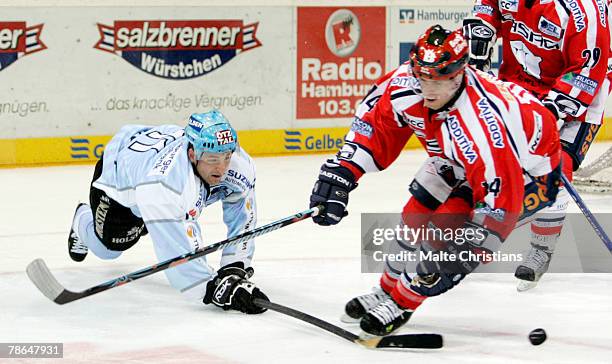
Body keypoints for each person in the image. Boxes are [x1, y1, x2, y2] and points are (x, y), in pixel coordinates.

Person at [309, 25, 563, 336]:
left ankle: (402, 301)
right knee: (413, 214)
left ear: (459, 75)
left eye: (439, 79)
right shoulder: (406, 83)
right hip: (459, 158)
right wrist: (344, 171)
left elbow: (500, 205)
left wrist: (466, 255)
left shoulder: (483, 128)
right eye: (423, 76)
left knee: (442, 232)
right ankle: (387, 289)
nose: (428, 89)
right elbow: (376, 126)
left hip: (529, 173)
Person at [463, 0, 611, 290]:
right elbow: (487, 7)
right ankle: (475, 225)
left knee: (554, 176)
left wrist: (550, 112)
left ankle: (541, 249)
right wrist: (482, 29)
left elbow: (586, 69)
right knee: (488, 160)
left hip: (578, 103)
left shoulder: (585, 11)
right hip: (518, 89)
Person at [67, 110, 269, 314]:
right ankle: (82, 219)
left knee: (164, 213)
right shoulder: (166, 185)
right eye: (213, 159)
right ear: (192, 154)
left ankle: (154, 219)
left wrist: (234, 264)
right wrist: (212, 287)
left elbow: (242, 215)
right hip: (118, 173)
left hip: (151, 174)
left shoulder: (238, 165)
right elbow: (179, 253)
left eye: (226, 157)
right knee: (109, 249)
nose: (222, 168)